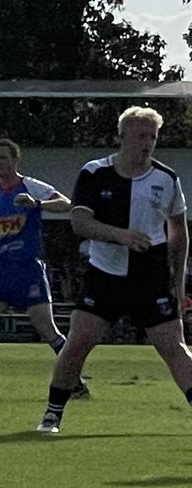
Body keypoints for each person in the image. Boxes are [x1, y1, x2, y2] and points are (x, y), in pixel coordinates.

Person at [37, 106, 192, 434]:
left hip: (150, 278)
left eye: (152, 136)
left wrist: (179, 286)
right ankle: (52, 414)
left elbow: (179, 234)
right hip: (105, 275)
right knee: (78, 343)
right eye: (140, 136)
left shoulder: (166, 179)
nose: (147, 143)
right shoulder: (95, 173)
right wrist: (119, 236)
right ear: (122, 137)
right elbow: (79, 222)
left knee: (174, 348)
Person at [0, 138, 88, 398]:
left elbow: (67, 204)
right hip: (1, 270)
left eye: (2, 158)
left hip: (28, 268)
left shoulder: (31, 187)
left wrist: (38, 204)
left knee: (48, 330)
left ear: (15, 159)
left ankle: (76, 383)